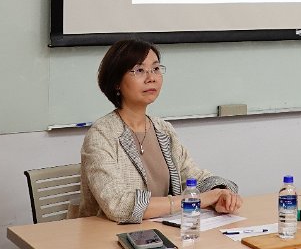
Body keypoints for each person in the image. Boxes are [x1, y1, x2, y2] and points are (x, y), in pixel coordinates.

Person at [75, 39, 243, 223]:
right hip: (109, 234)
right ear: (116, 82)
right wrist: (195, 200)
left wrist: (221, 193)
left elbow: (193, 177)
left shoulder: (163, 130)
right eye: (139, 70)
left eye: (155, 69)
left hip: (160, 231)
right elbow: (119, 206)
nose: (151, 78)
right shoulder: (102, 135)